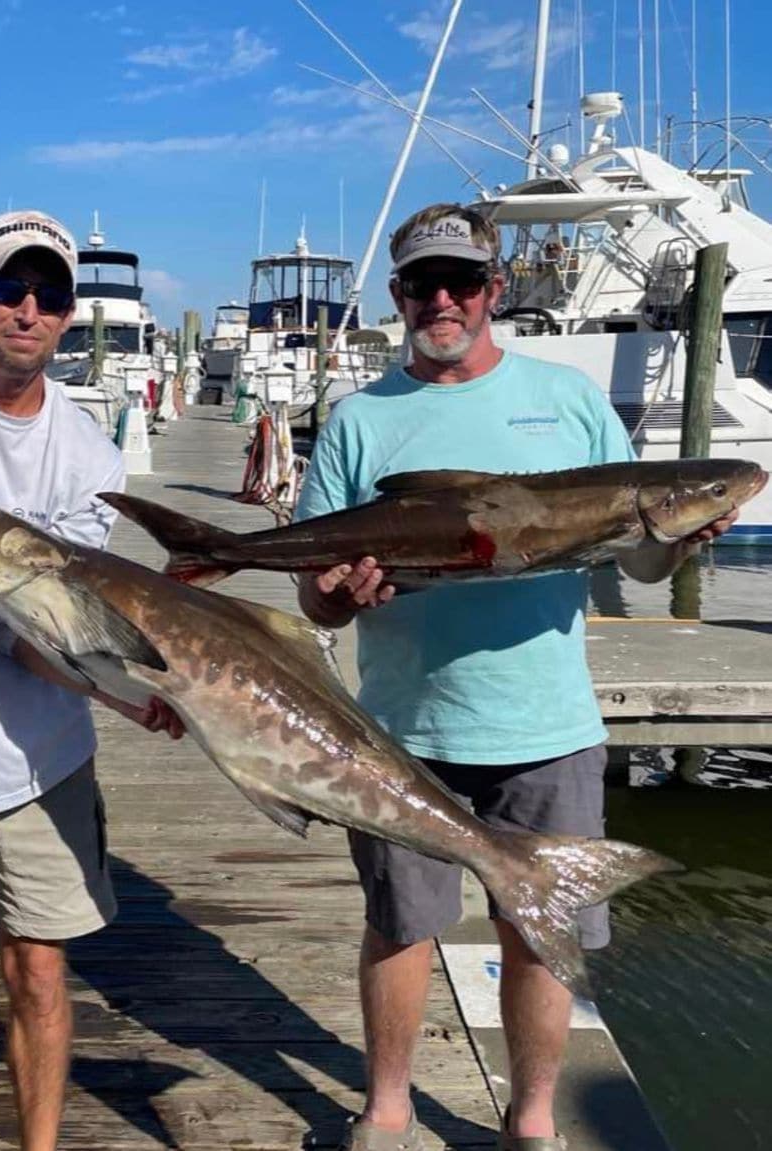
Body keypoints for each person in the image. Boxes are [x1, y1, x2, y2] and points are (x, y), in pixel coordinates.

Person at [295, 202, 736, 1151]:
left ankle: (532, 1120)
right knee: (399, 923)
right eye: (422, 284)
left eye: (461, 281)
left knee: (544, 933)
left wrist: (680, 536)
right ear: (399, 296)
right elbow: (316, 601)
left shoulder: (569, 399)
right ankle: (387, 1108)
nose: (442, 299)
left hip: (547, 724)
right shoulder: (358, 419)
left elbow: (638, 558)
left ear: (495, 289)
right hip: (403, 729)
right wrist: (341, 598)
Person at [0, 209, 181, 1151]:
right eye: (12, 288)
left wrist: (128, 690)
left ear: (69, 316)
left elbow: (39, 640)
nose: (30, 308)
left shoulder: (86, 456)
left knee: (40, 967)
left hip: (40, 755)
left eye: (51, 294)